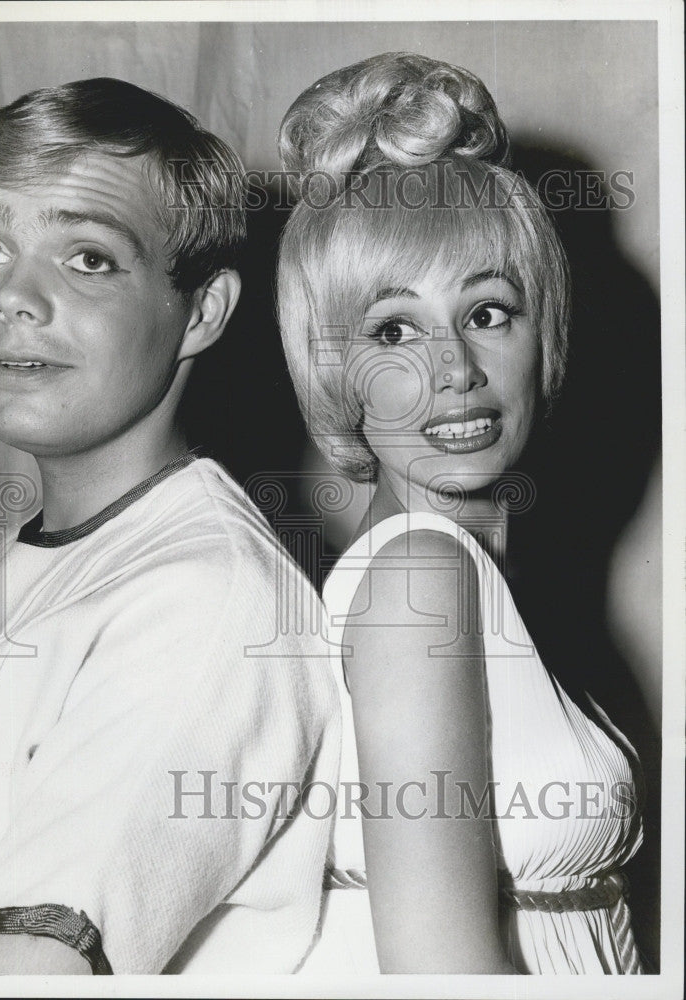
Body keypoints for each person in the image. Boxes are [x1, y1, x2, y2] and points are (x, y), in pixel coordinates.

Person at [0, 78, 339, 976]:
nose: (13, 299)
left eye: (88, 259)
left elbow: (26, 977)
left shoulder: (211, 600)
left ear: (203, 311)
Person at [277, 53, 645, 975]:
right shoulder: (417, 577)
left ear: (543, 334)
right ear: (336, 371)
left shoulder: (458, 576)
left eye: (486, 311)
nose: (454, 369)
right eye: (392, 331)